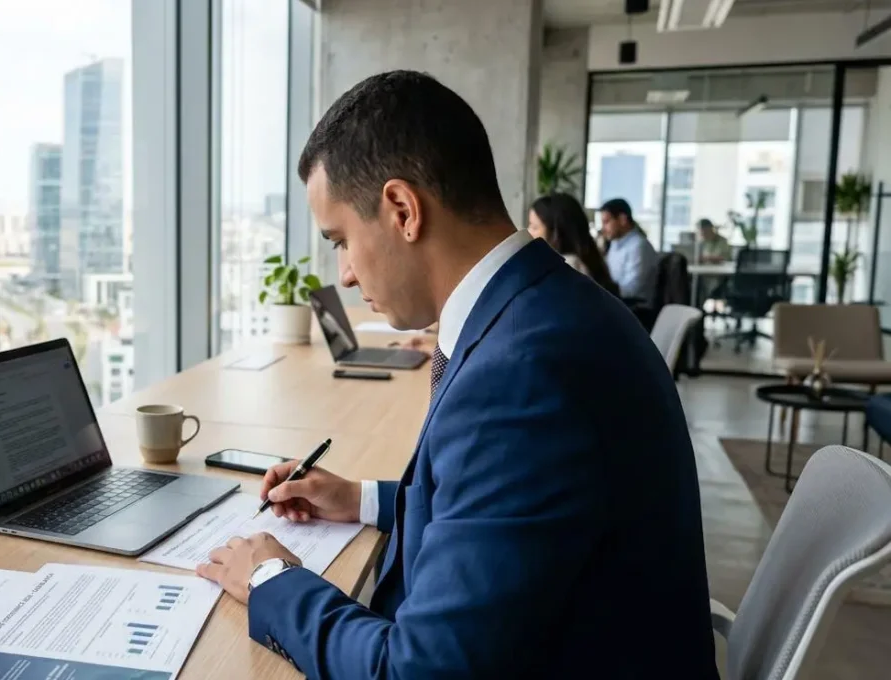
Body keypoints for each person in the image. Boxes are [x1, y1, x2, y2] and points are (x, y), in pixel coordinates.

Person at [194, 71, 717, 679]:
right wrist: (359, 499)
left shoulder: (524, 376)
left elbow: (419, 673)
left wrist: (270, 580)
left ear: (402, 210)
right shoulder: (546, 309)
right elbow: (504, 512)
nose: (344, 275)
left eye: (340, 240)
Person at [527, 193, 621, 297]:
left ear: (557, 232)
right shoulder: (584, 262)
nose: (528, 232)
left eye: (534, 227)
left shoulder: (568, 266)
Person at [600, 197, 659, 302]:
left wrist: (603, 289)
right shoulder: (614, 244)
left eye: (606, 222)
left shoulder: (639, 246)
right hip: (616, 302)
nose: (603, 228)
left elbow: (633, 289)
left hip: (635, 307)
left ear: (622, 220)